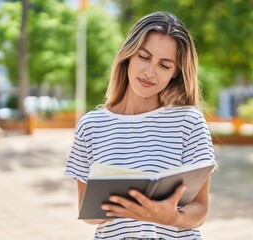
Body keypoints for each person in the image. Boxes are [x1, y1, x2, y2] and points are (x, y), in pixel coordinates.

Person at [65, 11, 217, 240]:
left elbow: (200, 210)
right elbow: (87, 214)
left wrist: (171, 217)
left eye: (164, 65)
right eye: (144, 57)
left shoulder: (189, 122)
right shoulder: (91, 126)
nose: (149, 72)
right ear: (128, 55)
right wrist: (122, 205)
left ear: (175, 73)